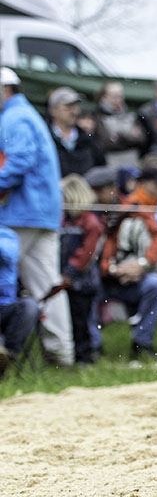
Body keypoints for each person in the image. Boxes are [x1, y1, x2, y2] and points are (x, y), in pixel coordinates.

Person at [0, 66, 75, 366]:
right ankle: (61, 355)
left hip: (20, 213)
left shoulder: (13, 117)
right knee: (49, 287)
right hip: (43, 213)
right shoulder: (28, 114)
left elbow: (19, 160)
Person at [86, 165, 157, 359]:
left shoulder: (132, 208)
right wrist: (112, 269)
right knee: (86, 288)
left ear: (112, 188)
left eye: (101, 190)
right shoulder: (86, 214)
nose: (97, 195)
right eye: (94, 191)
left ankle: (142, 344)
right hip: (100, 279)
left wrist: (142, 265)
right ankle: (93, 348)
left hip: (131, 278)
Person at [60, 174, 105, 365]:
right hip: (68, 279)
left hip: (83, 282)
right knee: (72, 320)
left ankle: (85, 357)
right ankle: (77, 355)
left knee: (83, 321)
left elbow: (86, 252)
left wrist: (70, 272)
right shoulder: (66, 220)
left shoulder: (90, 222)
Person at [0, 224, 41, 376]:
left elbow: (9, 255)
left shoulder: (7, 235)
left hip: (7, 306)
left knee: (30, 306)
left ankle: (8, 355)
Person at [47, 86, 106, 177]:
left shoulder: (89, 140)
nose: (74, 112)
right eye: (68, 107)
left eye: (76, 107)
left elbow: (101, 169)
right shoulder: (44, 138)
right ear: (53, 110)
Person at [95, 81, 147, 169]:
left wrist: (118, 137)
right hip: (111, 165)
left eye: (120, 95)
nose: (118, 99)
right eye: (114, 95)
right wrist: (129, 137)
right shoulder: (98, 117)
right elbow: (106, 143)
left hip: (133, 163)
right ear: (104, 97)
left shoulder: (132, 116)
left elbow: (141, 139)